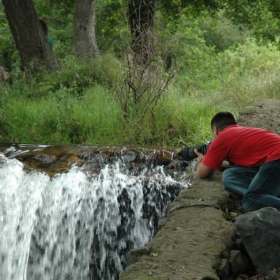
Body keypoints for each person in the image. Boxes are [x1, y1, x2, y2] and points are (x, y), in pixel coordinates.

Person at [195, 111, 280, 212]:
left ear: (215, 129)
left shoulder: (222, 138)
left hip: (276, 159)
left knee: (250, 201)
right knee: (229, 175)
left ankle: (258, 196)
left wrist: (201, 160)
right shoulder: (241, 132)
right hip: (274, 160)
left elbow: (202, 173)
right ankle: (265, 196)